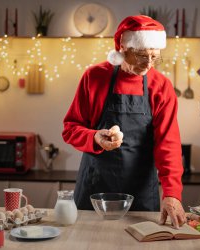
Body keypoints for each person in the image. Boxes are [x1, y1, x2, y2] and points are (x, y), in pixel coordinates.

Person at [62, 15, 186, 228]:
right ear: (122, 48)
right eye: (141, 55)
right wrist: (94, 137)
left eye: (154, 57)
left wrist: (172, 193)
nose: (148, 63)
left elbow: (169, 145)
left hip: (140, 194)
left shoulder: (161, 87)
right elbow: (70, 129)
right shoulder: (95, 77)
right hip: (95, 190)